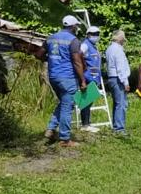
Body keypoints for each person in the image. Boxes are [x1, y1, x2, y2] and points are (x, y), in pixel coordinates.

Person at [43, 15, 86, 147]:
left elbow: (39, 54)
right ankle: (65, 139)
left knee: (63, 103)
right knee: (68, 107)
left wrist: (52, 60)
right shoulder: (73, 40)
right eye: (76, 26)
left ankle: (50, 129)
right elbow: (77, 62)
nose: (77, 28)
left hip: (53, 77)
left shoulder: (50, 38)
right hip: (67, 77)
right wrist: (82, 81)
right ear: (73, 27)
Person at [105, 29, 131, 136]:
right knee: (121, 104)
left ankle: (116, 127)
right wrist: (125, 82)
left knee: (117, 103)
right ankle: (119, 129)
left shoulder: (110, 48)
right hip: (118, 78)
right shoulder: (118, 50)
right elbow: (120, 68)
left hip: (112, 78)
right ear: (120, 39)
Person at [78, 26, 103, 132]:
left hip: (94, 77)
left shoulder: (94, 46)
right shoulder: (85, 45)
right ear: (88, 35)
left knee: (89, 100)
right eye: (93, 34)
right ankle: (85, 124)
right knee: (86, 101)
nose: (95, 36)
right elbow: (79, 54)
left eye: (97, 34)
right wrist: (83, 66)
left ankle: (87, 123)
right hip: (87, 76)